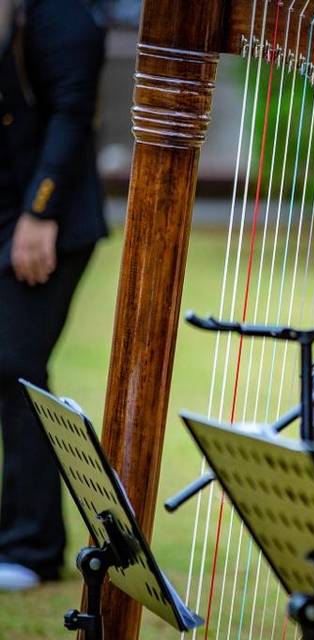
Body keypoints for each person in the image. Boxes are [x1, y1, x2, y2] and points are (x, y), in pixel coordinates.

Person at [0, 0, 107, 590]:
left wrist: (40, 213)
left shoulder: (58, 11)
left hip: (50, 221)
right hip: (5, 211)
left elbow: (72, 112)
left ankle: (33, 547)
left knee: (15, 364)